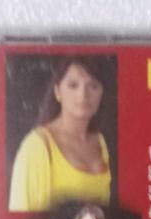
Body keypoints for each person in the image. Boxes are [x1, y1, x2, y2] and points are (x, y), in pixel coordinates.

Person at [9, 55, 111, 211]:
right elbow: (21, 217)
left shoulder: (101, 142)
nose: (83, 95)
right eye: (73, 85)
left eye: (93, 86)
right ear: (58, 92)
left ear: (101, 94)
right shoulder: (37, 146)